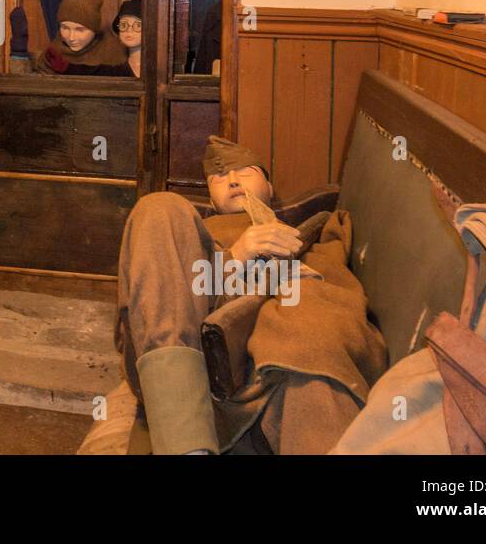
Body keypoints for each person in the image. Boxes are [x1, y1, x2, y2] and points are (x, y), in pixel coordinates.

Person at [115, 137, 386, 454]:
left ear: (270, 188)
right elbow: (160, 304)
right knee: (157, 206)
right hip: (195, 361)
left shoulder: (316, 232)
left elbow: (335, 304)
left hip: (276, 363)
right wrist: (233, 258)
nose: (231, 179)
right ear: (212, 200)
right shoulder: (194, 231)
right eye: (218, 178)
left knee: (313, 349)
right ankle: (187, 447)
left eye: (245, 171)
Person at [33, 0, 128, 75]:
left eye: (80, 30)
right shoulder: (51, 56)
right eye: (65, 28)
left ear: (95, 29)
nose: (71, 37)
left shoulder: (114, 57)